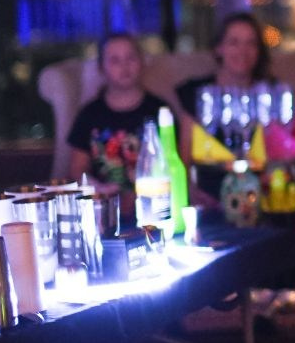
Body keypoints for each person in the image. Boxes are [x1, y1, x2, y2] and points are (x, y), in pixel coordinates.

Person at [67, 32, 169, 219]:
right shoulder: (89, 115)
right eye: (115, 60)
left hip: (154, 207)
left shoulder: (159, 111)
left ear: (142, 62)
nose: (124, 66)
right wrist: (101, 191)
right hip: (103, 211)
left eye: (131, 58)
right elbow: (76, 170)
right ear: (101, 67)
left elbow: (173, 162)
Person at [175, 12, 275, 199]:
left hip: (261, 193)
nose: (243, 51)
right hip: (210, 192)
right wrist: (191, 193)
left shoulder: (271, 93)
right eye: (234, 42)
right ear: (219, 48)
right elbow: (185, 159)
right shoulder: (197, 94)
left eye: (251, 43)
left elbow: (281, 151)